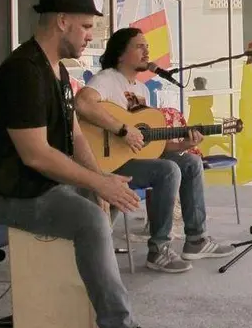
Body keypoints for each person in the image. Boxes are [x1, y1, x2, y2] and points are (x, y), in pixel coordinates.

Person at [0, 0, 162, 328]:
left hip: (44, 186)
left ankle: (47, 308)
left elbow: (74, 133)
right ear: (62, 21)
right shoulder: (22, 73)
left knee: (99, 205)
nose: (91, 36)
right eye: (86, 26)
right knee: (91, 220)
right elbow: (37, 155)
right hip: (11, 195)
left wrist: (100, 181)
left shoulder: (56, 70)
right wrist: (99, 184)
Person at [75, 28, 235, 273]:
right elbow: (83, 103)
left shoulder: (141, 89)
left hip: (132, 158)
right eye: (139, 46)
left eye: (147, 46)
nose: (147, 51)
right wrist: (122, 130)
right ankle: (158, 249)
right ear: (121, 54)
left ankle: (195, 240)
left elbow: (150, 144)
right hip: (107, 162)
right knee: (167, 170)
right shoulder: (107, 79)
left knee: (189, 162)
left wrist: (183, 145)